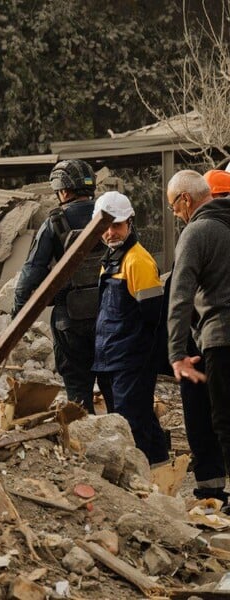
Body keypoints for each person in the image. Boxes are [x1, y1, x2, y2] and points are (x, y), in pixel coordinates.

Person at [13, 159, 109, 413]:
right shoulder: (111, 217)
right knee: (115, 389)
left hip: (70, 321)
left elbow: (29, 276)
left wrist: (17, 317)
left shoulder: (54, 223)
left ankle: (84, 442)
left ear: (63, 190)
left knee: (78, 392)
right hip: (109, 318)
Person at [91, 191, 168, 466]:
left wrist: (137, 356)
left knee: (131, 422)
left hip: (131, 358)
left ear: (130, 223)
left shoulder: (138, 261)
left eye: (117, 225)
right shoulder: (112, 259)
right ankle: (160, 468)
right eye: (106, 227)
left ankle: (144, 479)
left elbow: (153, 316)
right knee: (138, 418)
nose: (111, 232)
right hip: (111, 357)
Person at [167, 169, 230, 487]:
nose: (177, 216)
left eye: (175, 208)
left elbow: (180, 298)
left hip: (221, 338)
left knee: (223, 421)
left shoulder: (196, 232)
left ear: (186, 199)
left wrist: (176, 353)